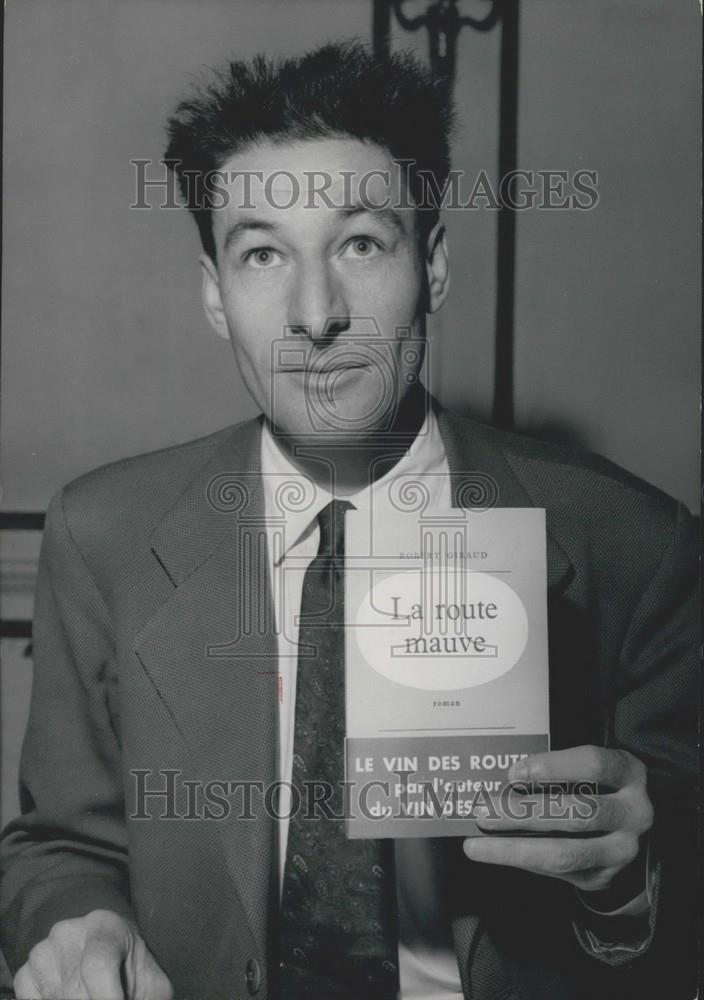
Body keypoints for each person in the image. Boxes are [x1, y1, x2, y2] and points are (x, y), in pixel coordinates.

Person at [0, 42, 697, 1000]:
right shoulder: (102, 534)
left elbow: (679, 915)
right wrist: (81, 923)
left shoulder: (637, 547)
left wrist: (627, 887)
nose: (315, 312)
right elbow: (58, 844)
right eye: (261, 253)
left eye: (361, 244)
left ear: (435, 265)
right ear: (214, 292)